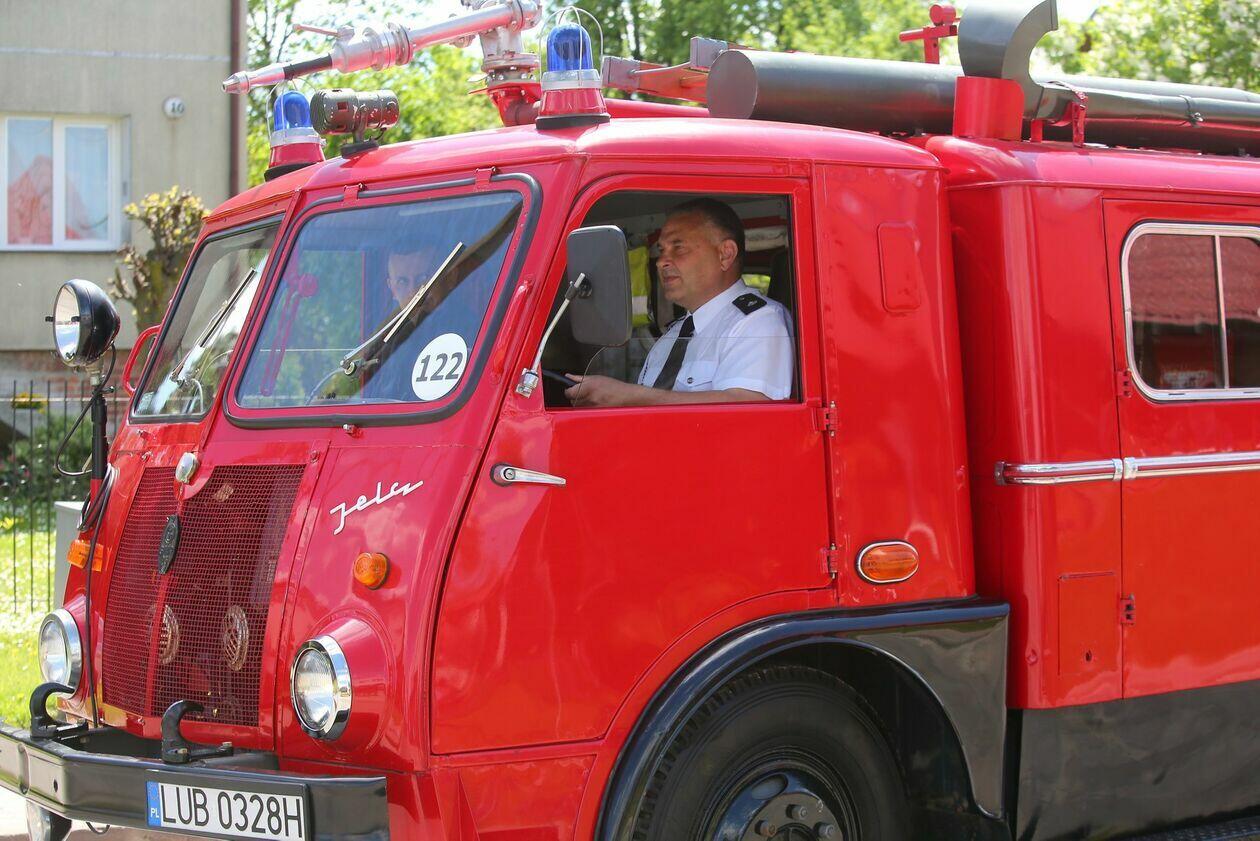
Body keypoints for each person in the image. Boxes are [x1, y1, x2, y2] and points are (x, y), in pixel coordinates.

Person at [565, 198, 794, 407]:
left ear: (725, 254)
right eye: (662, 250)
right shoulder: (673, 335)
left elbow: (749, 409)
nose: (661, 262)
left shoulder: (759, 322)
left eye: (678, 247)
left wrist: (628, 396)